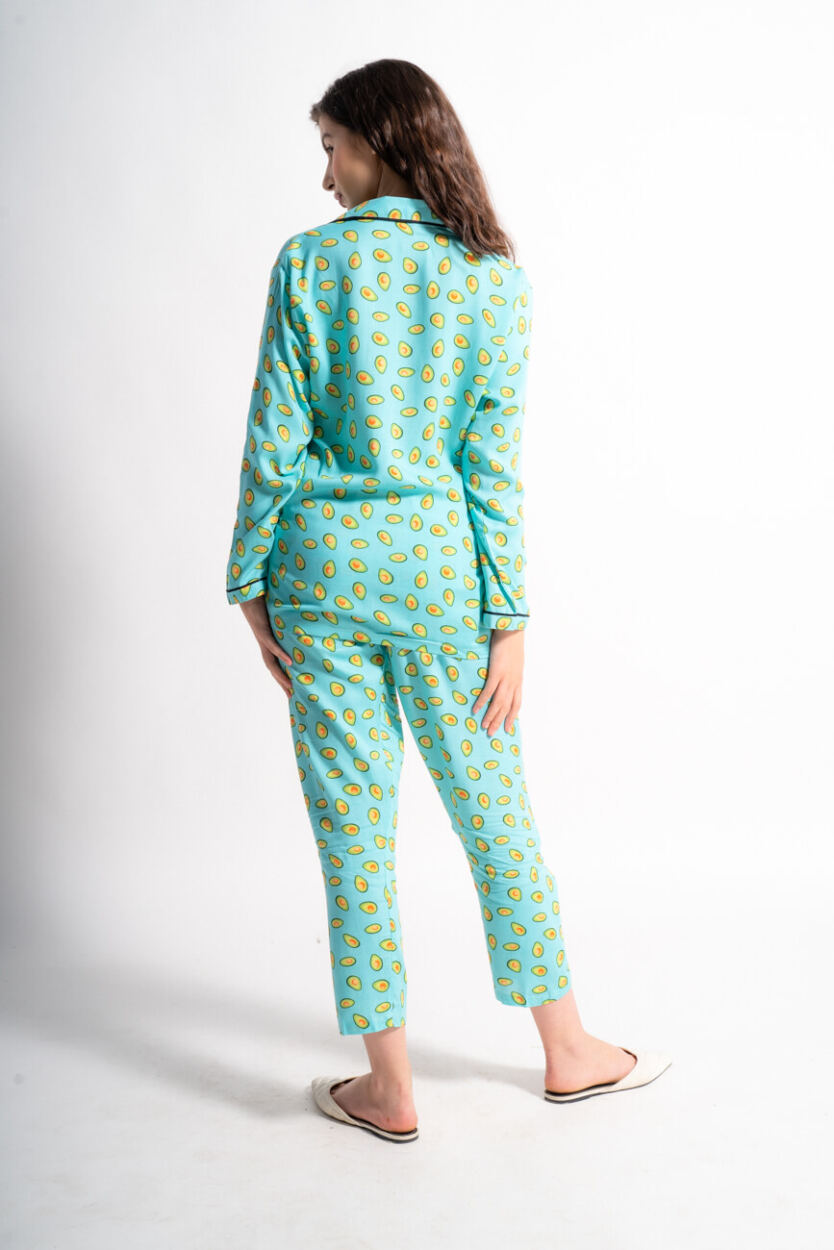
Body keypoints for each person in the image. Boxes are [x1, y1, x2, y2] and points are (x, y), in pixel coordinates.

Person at [224, 58, 671, 1143]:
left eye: (332, 147)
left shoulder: (310, 264)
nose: (325, 176)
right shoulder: (493, 277)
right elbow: (489, 470)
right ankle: (569, 1049)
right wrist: (508, 621)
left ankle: (389, 1088)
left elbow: (274, 441)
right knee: (494, 810)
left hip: (320, 578)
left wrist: (248, 582)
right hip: (440, 580)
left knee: (352, 830)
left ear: (379, 142)